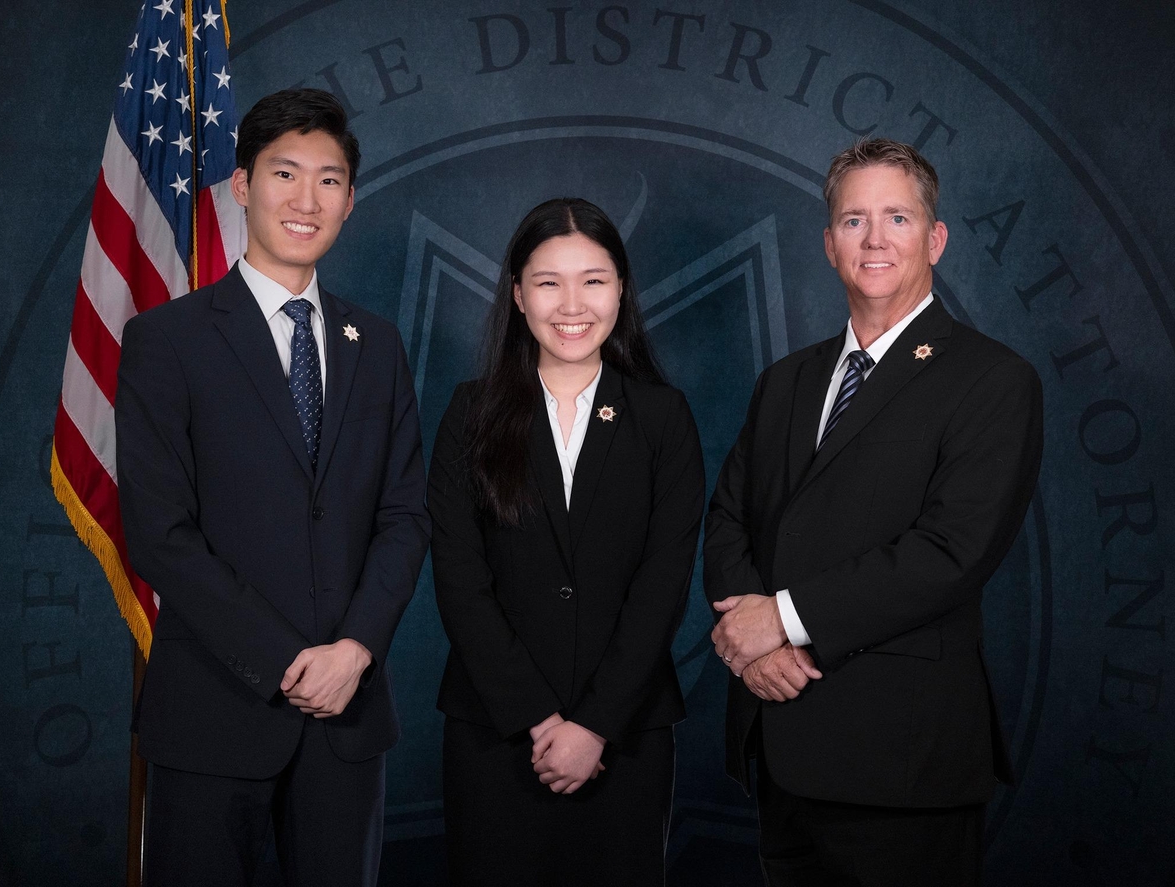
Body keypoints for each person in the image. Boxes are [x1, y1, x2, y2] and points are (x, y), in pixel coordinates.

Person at [703, 138, 1043, 886]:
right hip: (782, 742)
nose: (876, 238)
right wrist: (756, 648)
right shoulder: (785, 382)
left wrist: (782, 617)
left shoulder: (993, 379)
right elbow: (728, 515)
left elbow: (950, 552)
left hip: (903, 763)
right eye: (854, 221)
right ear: (829, 245)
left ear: (935, 238)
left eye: (898, 216)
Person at [115, 88, 430, 887]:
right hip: (213, 712)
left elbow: (403, 515)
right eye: (284, 173)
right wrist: (290, 660)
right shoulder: (168, 340)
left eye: (328, 180)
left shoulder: (377, 343)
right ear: (242, 186)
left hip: (348, 715)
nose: (306, 198)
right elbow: (160, 532)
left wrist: (353, 650)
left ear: (350, 201)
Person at [427, 197, 705, 886]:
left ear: (621, 290)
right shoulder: (471, 411)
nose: (571, 303)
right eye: (549, 281)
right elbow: (459, 579)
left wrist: (593, 725)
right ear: (518, 294)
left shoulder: (662, 416)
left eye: (594, 279)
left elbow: (663, 582)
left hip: (626, 734)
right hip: (495, 730)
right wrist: (537, 716)